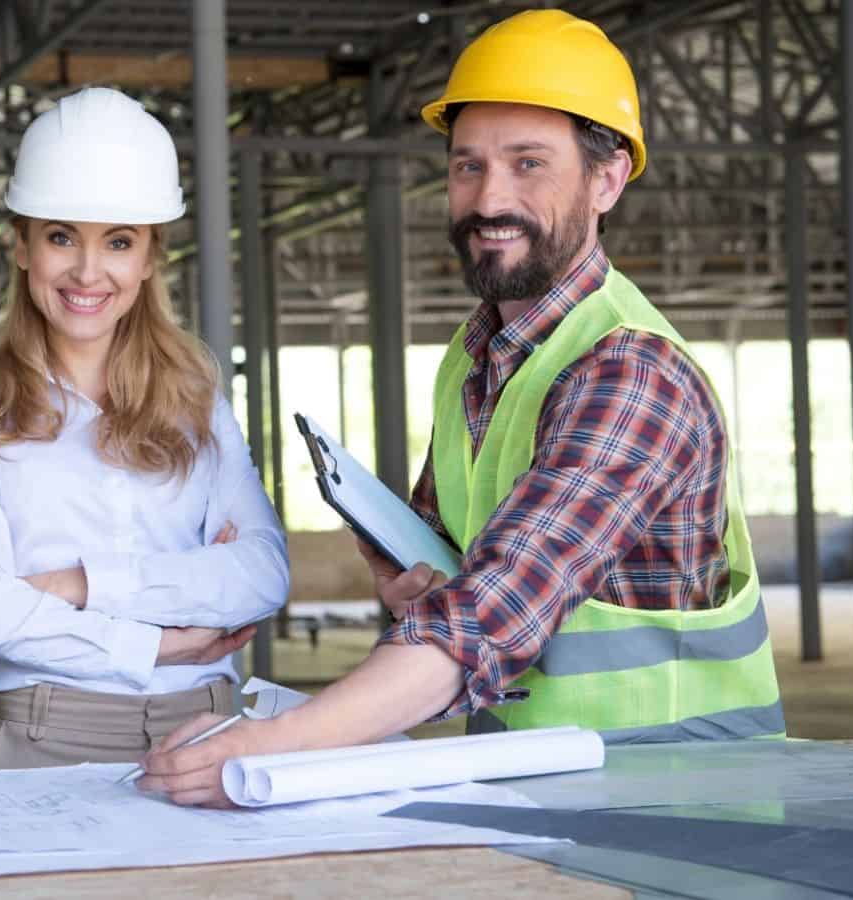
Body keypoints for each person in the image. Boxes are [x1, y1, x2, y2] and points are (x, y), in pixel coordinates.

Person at [139, 9, 784, 807]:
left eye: (528, 164)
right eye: (467, 166)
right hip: (541, 782)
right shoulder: (475, 358)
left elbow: (482, 616)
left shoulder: (631, 372)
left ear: (608, 179)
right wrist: (415, 566)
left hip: (682, 799)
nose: (490, 198)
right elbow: (463, 574)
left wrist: (267, 748)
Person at [0, 87, 290, 769]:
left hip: (207, 729)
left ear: (150, 256)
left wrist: (77, 586)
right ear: (23, 247)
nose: (88, 272)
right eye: (62, 236)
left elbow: (262, 575)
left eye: (118, 242)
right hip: (44, 736)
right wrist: (156, 642)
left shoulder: (198, 399)